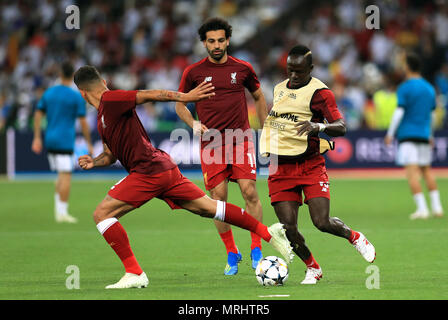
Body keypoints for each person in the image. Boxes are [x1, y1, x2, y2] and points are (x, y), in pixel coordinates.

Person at [73, 65, 292, 289]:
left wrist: (185, 97)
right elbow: (110, 155)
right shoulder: (102, 117)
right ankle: (268, 233)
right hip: (163, 169)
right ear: (102, 81)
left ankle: (134, 272)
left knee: (102, 214)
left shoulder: (111, 100)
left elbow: (151, 94)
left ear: (82, 93)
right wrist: (95, 161)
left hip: (148, 170)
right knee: (209, 208)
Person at [259, 45, 376, 285]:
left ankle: (353, 236)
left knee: (321, 222)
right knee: (288, 229)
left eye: (299, 72)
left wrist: (319, 127)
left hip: (310, 165)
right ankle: (313, 268)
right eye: (290, 70)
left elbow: (342, 126)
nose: (293, 75)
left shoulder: (321, 93)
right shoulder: (279, 89)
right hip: (280, 167)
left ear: (310, 69)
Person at [175, 17, 268, 275]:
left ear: (228, 40)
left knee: (250, 192)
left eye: (220, 40)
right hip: (211, 142)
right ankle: (231, 252)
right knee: (218, 199)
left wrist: (266, 130)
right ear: (204, 43)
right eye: (211, 41)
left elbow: (259, 96)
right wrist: (193, 123)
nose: (216, 45)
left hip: (241, 138)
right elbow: (180, 103)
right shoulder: (193, 72)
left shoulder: (244, 68)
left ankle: (256, 247)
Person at [32, 62, 93, 223]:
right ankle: (62, 213)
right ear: (72, 76)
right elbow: (83, 122)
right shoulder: (75, 96)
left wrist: (37, 137)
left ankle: (59, 209)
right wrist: (89, 143)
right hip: (64, 140)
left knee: (61, 174)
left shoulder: (49, 93)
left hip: (49, 138)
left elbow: (37, 114)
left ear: (60, 74)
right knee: (66, 175)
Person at [384, 52, 444, 219]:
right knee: (426, 170)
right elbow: (433, 115)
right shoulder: (429, 88)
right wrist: (430, 134)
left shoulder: (405, 87)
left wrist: (390, 133)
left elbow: (399, 111)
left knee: (412, 173)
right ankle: (437, 208)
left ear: (408, 67)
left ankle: (422, 209)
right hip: (424, 134)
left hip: (408, 135)